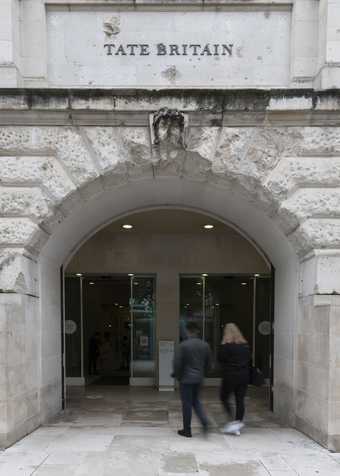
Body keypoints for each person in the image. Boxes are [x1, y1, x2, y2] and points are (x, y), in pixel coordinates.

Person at [173, 321, 211, 438]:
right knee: (196, 401)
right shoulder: (205, 345)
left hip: (186, 379)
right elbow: (209, 365)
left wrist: (178, 376)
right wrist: (203, 374)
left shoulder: (183, 345)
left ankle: (187, 430)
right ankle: (204, 421)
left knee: (187, 404)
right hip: (198, 378)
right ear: (197, 331)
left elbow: (177, 363)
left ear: (188, 331)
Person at [218, 323, 251, 436]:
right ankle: (238, 424)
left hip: (230, 376)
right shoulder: (245, 345)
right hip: (243, 376)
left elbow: (220, 359)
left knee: (224, 397)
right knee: (240, 400)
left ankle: (233, 422)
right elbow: (248, 360)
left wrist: (223, 345)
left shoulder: (226, 346)